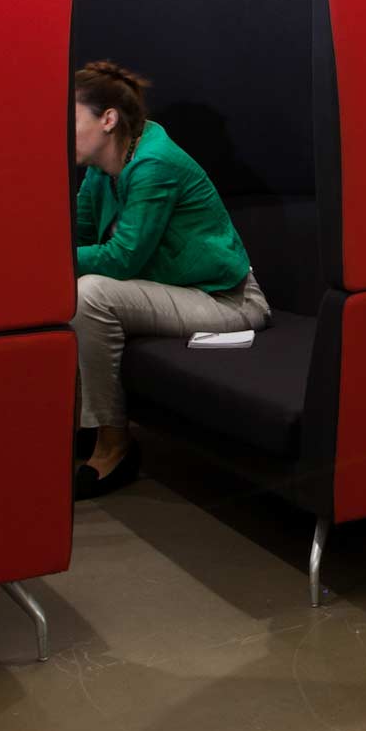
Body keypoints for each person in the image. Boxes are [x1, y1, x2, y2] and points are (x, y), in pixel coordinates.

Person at [69, 60, 268, 499]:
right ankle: (75, 429)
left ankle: (113, 443)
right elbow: (79, 237)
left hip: (227, 301)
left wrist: (48, 260)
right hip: (174, 291)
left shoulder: (155, 164)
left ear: (108, 119)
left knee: (90, 292)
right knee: (64, 288)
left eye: (71, 118)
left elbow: (121, 260)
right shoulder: (100, 167)